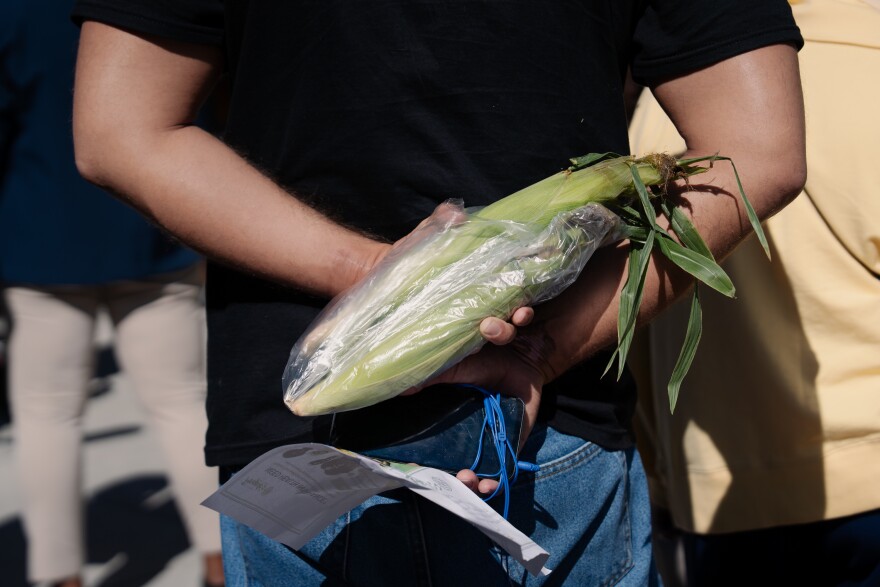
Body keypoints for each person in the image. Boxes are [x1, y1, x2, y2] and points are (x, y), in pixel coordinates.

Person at [68, 1, 806, 585]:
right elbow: (760, 149)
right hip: (537, 428)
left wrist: (374, 274)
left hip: (305, 438)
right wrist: (527, 345)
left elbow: (122, 130)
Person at [628, 0, 880, 585]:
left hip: (719, 503)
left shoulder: (669, 102)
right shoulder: (868, 65)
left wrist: (662, 482)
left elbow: (634, 313)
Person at [0, 2, 224, 586]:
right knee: (182, 402)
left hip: (40, 233)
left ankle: (60, 574)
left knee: (48, 416)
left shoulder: (16, 12)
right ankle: (219, 555)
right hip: (150, 227)